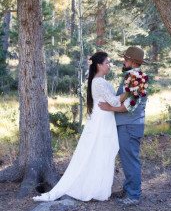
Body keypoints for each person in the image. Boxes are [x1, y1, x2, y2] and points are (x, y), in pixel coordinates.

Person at [33, 51, 127, 202]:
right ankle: (92, 188)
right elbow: (115, 102)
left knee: (100, 154)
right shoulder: (98, 82)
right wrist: (130, 92)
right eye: (107, 63)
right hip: (101, 121)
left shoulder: (99, 81)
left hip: (103, 119)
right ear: (99, 65)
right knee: (97, 153)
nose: (109, 66)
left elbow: (112, 101)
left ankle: (98, 187)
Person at [99, 46, 147, 206]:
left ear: (133, 62)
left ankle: (133, 195)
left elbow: (129, 106)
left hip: (129, 125)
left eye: (126, 59)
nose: (123, 61)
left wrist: (109, 108)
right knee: (127, 159)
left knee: (130, 160)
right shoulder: (132, 76)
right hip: (127, 124)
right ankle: (128, 189)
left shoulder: (137, 77)